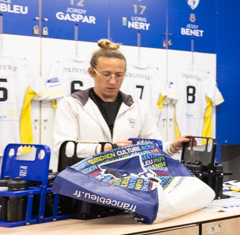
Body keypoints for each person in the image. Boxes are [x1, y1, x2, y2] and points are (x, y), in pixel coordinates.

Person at [52, 40, 192, 157]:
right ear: (91, 72)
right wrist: (105, 148)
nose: (113, 81)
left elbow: (153, 146)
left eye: (119, 75)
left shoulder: (138, 106)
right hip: (83, 182)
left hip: (124, 181)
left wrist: (173, 146)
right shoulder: (71, 104)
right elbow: (63, 148)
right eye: (106, 74)